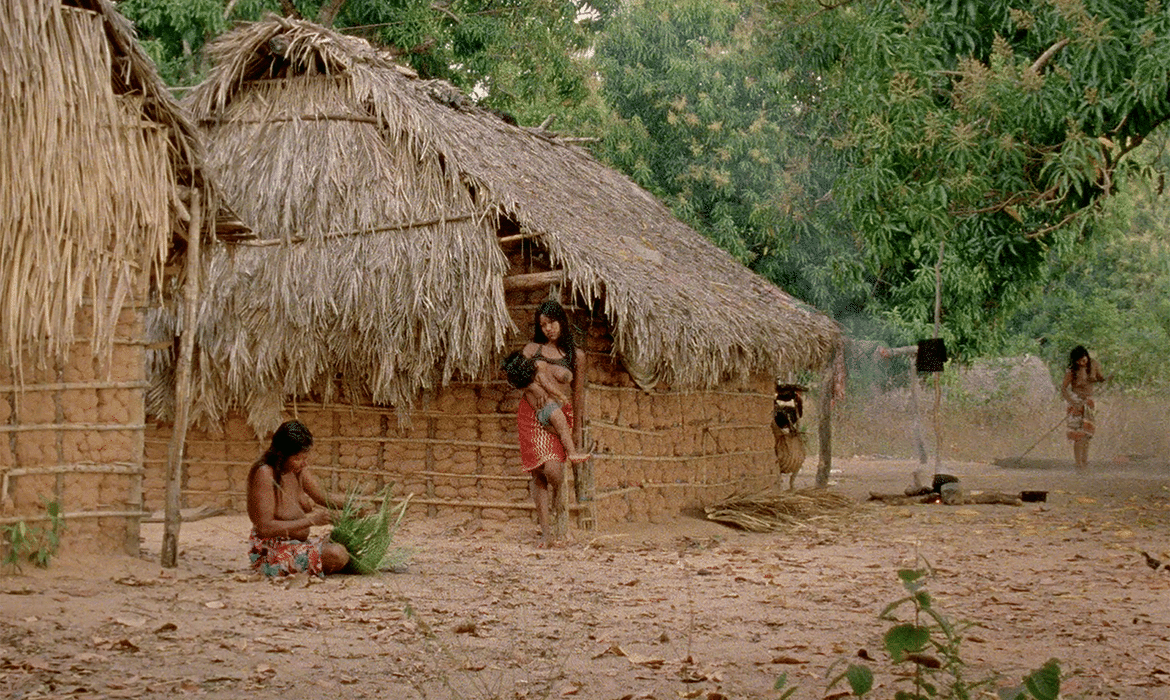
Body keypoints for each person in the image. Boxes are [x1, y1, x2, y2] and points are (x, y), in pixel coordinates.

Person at [517, 299, 585, 546]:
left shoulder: (576, 356)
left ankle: (558, 508)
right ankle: (546, 531)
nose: (548, 328)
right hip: (532, 414)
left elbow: (578, 395)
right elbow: (514, 377)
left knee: (554, 471)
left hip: (560, 417)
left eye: (552, 322)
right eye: (543, 324)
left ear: (562, 321)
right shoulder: (531, 349)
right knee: (538, 473)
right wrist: (534, 392)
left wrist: (576, 427)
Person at [246, 420, 350, 577]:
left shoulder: (297, 468)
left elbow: (321, 497)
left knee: (347, 543)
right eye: (297, 458)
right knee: (337, 554)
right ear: (280, 454)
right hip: (271, 551)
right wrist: (312, 521)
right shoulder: (265, 473)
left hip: (299, 544)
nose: (303, 463)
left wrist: (352, 506)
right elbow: (265, 527)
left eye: (305, 458)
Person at [502, 351, 590, 463]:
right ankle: (572, 454)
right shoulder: (538, 376)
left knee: (560, 433)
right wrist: (561, 396)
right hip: (551, 410)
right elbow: (549, 388)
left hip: (541, 417)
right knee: (564, 430)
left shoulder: (524, 388)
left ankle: (565, 447)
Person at [1061, 345, 1107, 470]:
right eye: (1079, 361)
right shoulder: (1071, 371)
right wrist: (1073, 403)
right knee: (1078, 435)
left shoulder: (1093, 365)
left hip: (1089, 403)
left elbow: (1099, 378)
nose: (1082, 362)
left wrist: (1104, 379)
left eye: (1083, 359)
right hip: (1076, 402)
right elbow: (1064, 389)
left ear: (1086, 356)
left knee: (1087, 435)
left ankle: (1084, 462)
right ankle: (1078, 463)